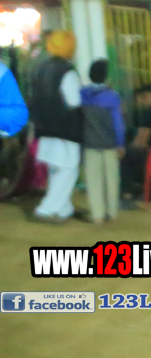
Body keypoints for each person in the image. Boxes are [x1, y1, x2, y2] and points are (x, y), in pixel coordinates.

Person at [28, 30, 83, 222]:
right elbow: (74, 101)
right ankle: (47, 208)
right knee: (68, 169)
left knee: (55, 169)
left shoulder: (39, 68)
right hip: (65, 129)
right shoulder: (67, 70)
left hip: (44, 128)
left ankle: (64, 208)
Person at [80, 58, 125, 223]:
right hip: (109, 144)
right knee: (111, 179)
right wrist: (120, 143)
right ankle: (111, 212)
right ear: (106, 76)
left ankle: (97, 214)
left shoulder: (82, 94)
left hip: (90, 143)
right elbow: (118, 123)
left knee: (93, 180)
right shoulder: (112, 97)